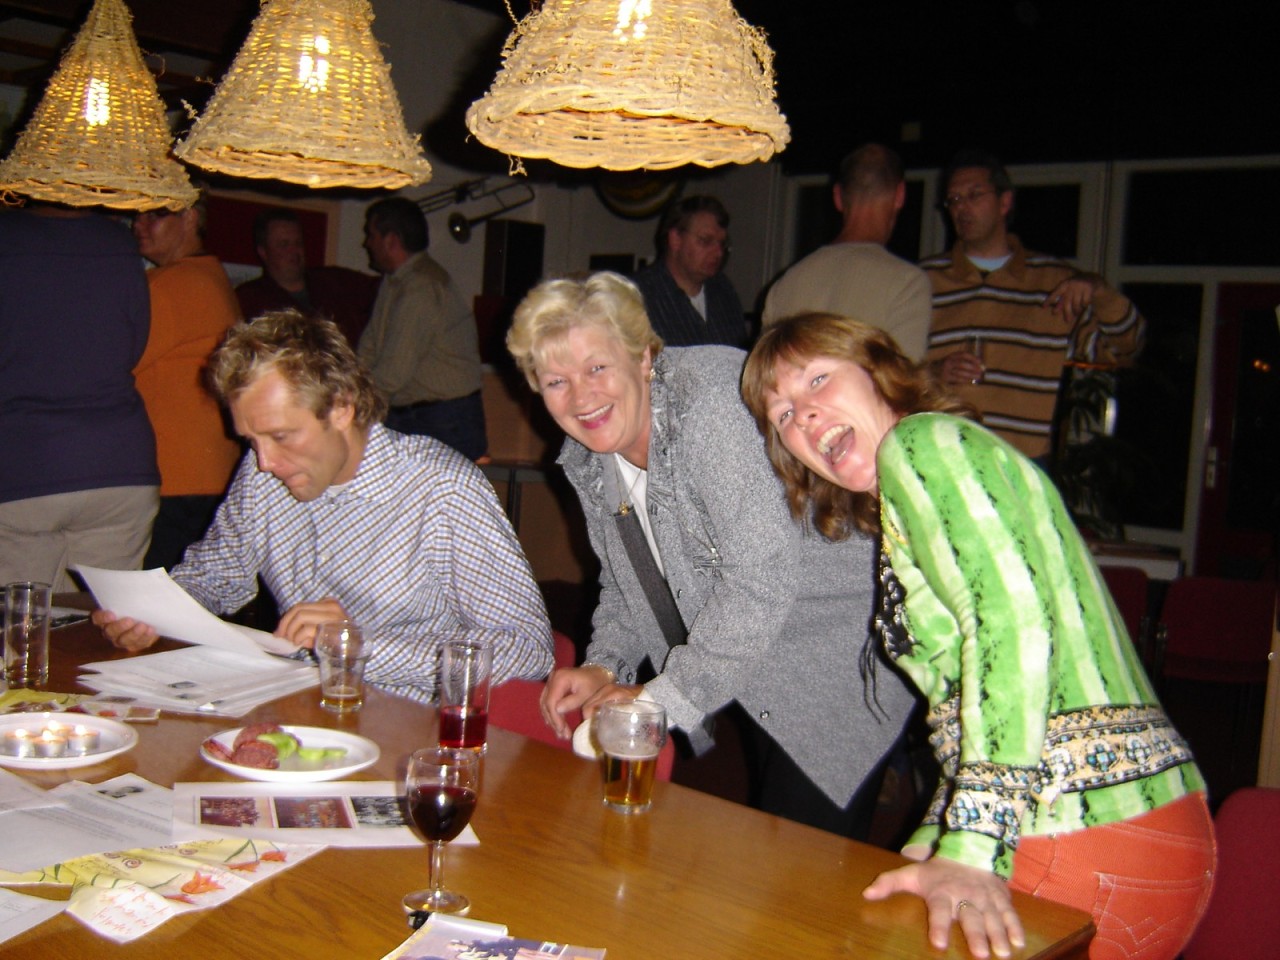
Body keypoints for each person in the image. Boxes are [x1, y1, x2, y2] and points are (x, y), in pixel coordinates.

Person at [742, 313, 1215, 960]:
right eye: (783, 415)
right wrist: (938, 834)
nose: (804, 415)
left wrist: (970, 848)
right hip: (1127, 824)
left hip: (1084, 826)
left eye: (818, 379)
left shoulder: (921, 444)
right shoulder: (928, 478)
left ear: (879, 371)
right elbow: (971, 698)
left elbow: (1011, 627)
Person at [506, 273, 914, 839]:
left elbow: (760, 579)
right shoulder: (590, 451)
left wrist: (660, 699)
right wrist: (606, 664)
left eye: (597, 367)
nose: (581, 397)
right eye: (556, 381)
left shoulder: (708, 406)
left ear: (643, 357)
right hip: (752, 657)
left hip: (836, 655)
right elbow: (627, 576)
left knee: (805, 864)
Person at [93, 311, 552, 704]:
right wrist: (154, 610)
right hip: (301, 708)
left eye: (280, 436)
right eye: (251, 440)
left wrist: (358, 646)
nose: (265, 462)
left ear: (341, 408)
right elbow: (219, 573)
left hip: (414, 729)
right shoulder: (261, 474)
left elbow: (529, 650)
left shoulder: (441, 489)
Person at [923, 149, 1145, 461]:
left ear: (1005, 202)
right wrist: (935, 371)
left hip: (1023, 467)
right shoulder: (924, 281)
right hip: (942, 460)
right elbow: (888, 371)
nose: (962, 208)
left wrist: (1099, 291)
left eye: (974, 195)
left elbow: (1126, 349)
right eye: (954, 200)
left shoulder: (1054, 283)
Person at [0, 204, 159, 592]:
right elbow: (135, 343)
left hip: (22, 462)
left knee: (23, 623)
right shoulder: (118, 241)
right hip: (119, 462)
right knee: (105, 620)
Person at [132, 192, 243, 570]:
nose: (139, 225)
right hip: (204, 474)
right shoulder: (209, 275)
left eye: (156, 214)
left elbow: (105, 363)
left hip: (176, 479)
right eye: (137, 215)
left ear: (191, 218)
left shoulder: (173, 284)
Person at [762, 144, 932, 360]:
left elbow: (765, 374)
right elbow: (903, 377)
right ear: (900, 195)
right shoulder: (908, 285)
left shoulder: (786, 284)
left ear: (837, 196)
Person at [359, 196, 487, 461]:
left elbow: (393, 372)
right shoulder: (396, 281)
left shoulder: (421, 286)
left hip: (444, 420)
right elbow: (369, 349)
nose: (367, 243)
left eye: (371, 235)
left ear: (391, 240)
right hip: (423, 416)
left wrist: (351, 407)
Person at [235, 208, 379, 348]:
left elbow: (383, 288)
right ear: (264, 252)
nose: (294, 251)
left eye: (298, 243)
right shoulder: (249, 300)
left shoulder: (336, 282)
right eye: (284, 245)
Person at [631, 195, 749, 348]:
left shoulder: (723, 290)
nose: (719, 253)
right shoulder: (639, 296)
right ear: (675, 239)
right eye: (705, 241)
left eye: (722, 244)